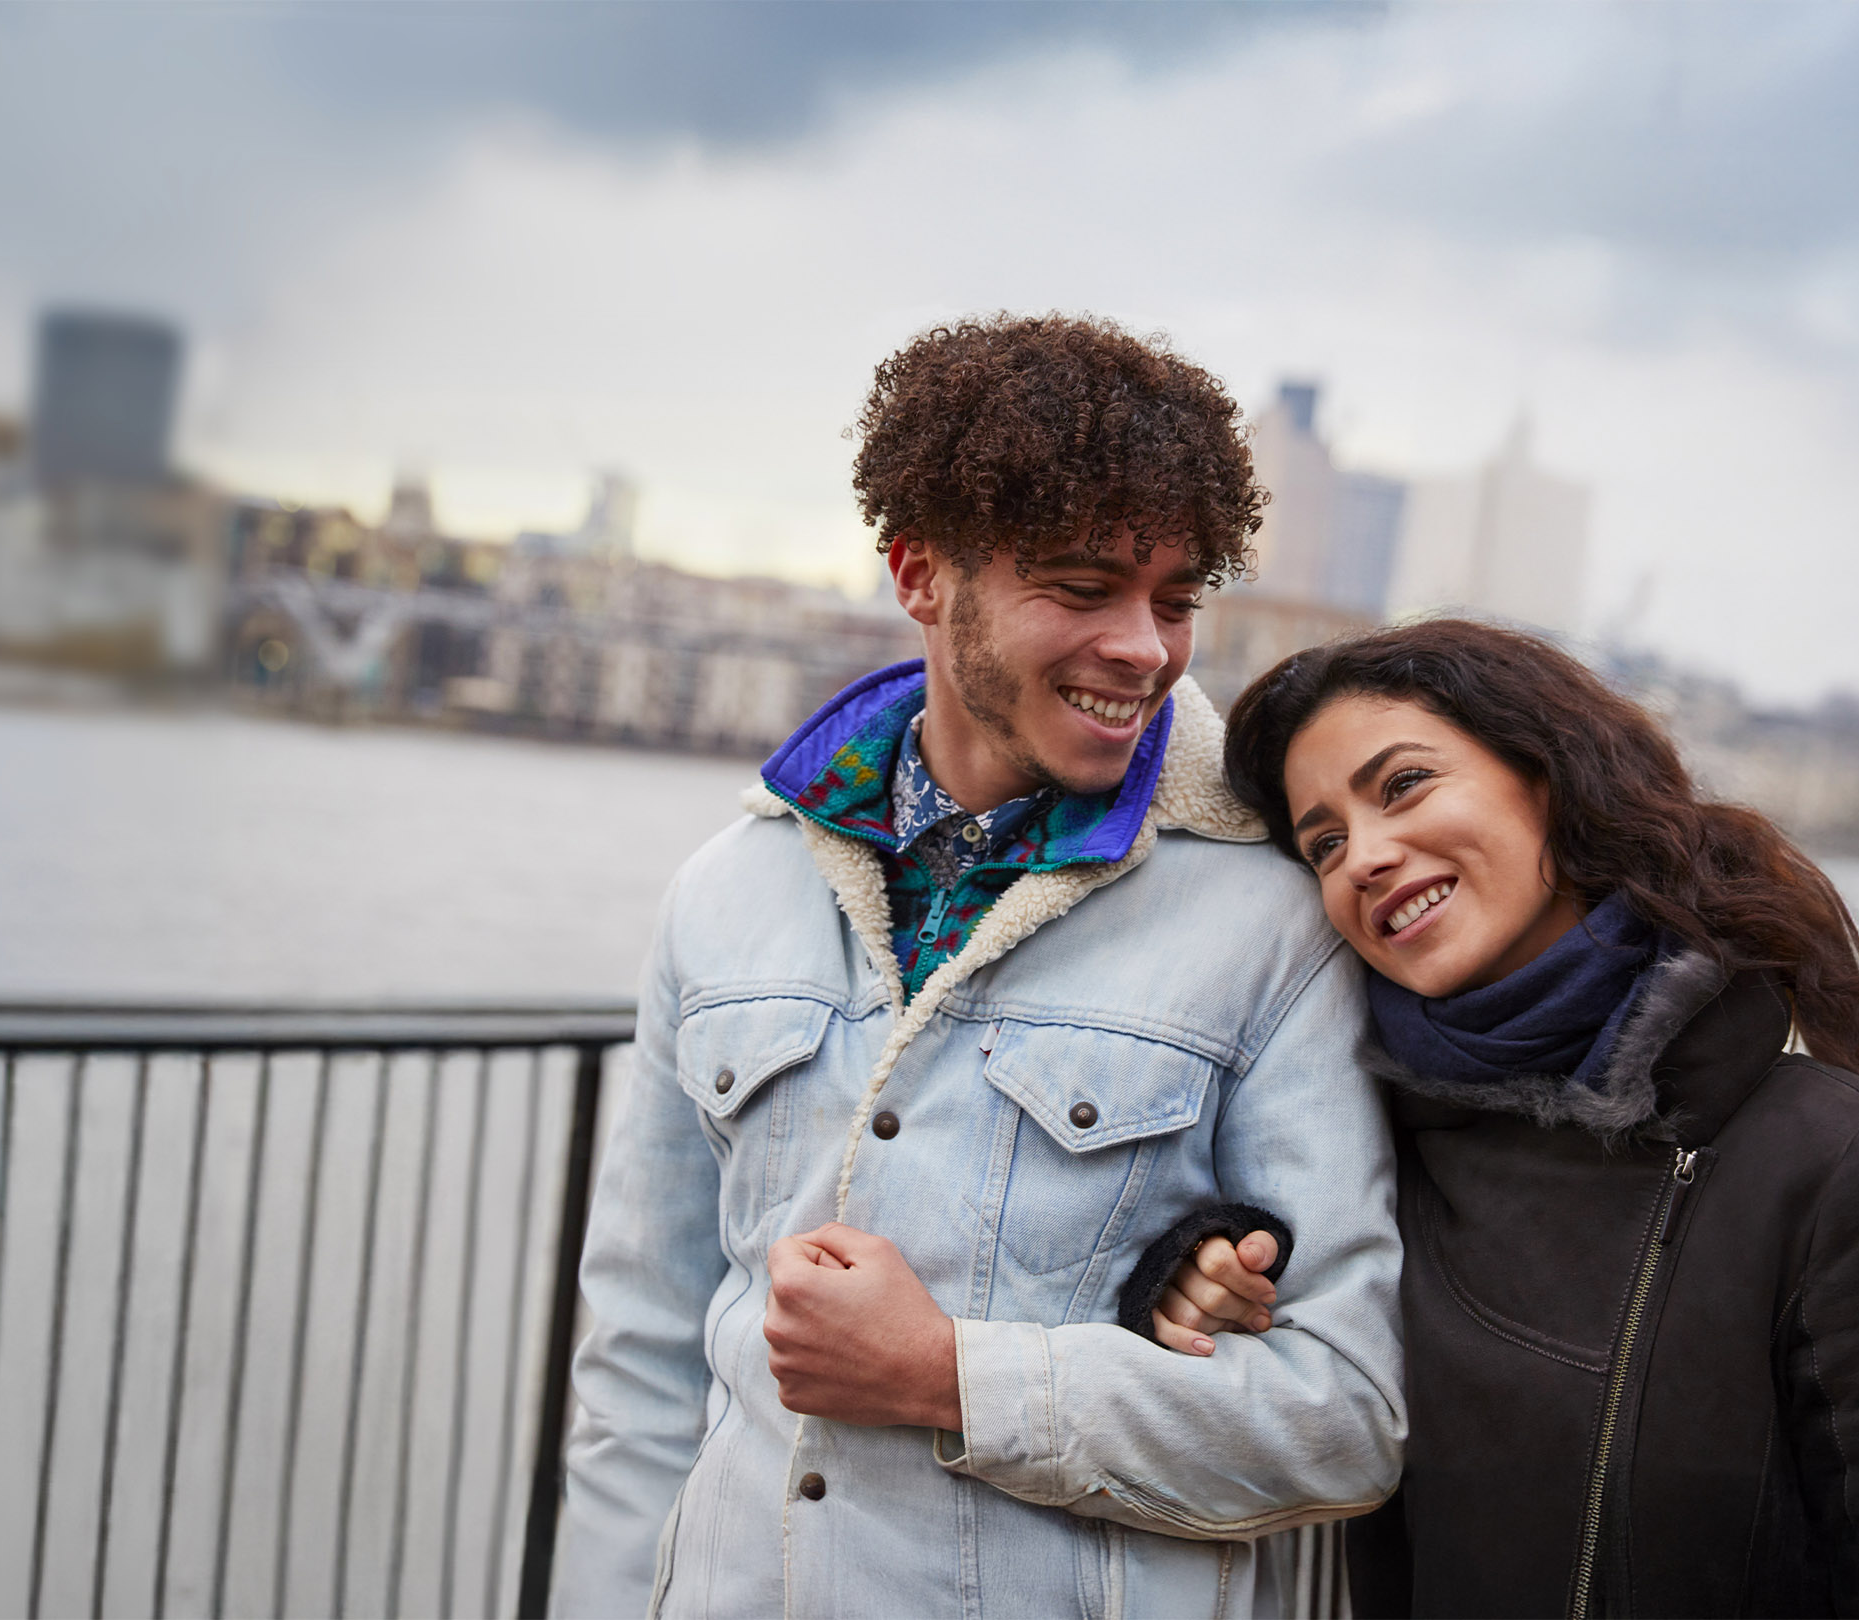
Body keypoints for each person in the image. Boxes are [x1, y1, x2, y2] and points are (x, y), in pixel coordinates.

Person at [550, 314, 1407, 1618]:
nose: (1146, 650)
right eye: (1080, 588)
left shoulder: (1274, 926)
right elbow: (639, 1371)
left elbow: (1343, 1419)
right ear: (920, 573)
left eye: (1176, 601)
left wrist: (946, 1374)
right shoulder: (726, 891)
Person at [1145, 617, 1859, 1617]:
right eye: (1323, 842)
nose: (1363, 855)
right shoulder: (1361, 1161)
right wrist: (1197, 1280)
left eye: (1402, 785)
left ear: (1551, 776)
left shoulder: (1837, 1166)